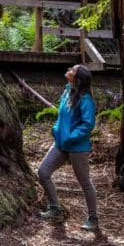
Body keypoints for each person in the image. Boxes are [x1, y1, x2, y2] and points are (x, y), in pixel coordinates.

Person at [37, 64, 99, 231]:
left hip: (77, 147)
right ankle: (55, 209)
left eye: (73, 69)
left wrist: (71, 137)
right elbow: (62, 117)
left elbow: (88, 124)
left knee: (85, 182)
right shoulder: (67, 92)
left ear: (77, 78)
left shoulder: (85, 99)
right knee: (43, 173)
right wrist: (56, 130)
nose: (69, 70)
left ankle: (93, 218)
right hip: (60, 144)